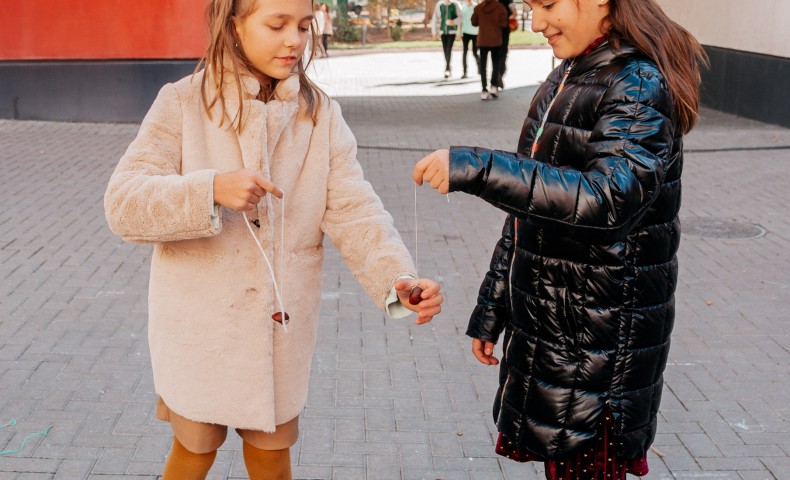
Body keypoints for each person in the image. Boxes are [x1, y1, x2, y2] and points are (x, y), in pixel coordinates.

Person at [104, 0, 444, 478]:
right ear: (234, 24)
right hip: (200, 331)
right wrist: (209, 188)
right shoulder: (182, 101)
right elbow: (123, 203)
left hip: (278, 332)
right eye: (277, 24)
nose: (294, 40)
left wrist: (398, 281)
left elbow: (354, 208)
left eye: (304, 26)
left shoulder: (319, 114)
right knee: (194, 451)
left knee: (272, 456)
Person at [413, 0, 707, 478]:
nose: (538, 22)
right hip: (555, 328)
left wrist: (480, 168)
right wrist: (495, 305)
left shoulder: (636, 82)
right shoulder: (572, 72)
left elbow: (608, 200)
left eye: (548, 5)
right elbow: (528, 211)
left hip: (598, 348)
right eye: (530, 7)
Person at [472, 0, 508, 100]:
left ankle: (484, 89)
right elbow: (504, 24)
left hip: (482, 40)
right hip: (495, 40)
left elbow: (474, 22)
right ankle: (494, 86)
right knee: (495, 64)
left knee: (483, 65)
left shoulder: (478, 8)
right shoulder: (500, 8)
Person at [431, 0, 463, 79]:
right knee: (445, 50)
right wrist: (434, 32)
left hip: (452, 31)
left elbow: (461, 17)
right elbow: (435, 18)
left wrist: (454, 22)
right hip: (443, 31)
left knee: (449, 49)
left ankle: (447, 69)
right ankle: (448, 66)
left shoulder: (455, 4)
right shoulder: (440, 4)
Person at [494, 0, 516, 89]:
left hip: (494, 30)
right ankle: (500, 73)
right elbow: (514, 14)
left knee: (495, 53)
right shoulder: (509, 1)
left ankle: (496, 75)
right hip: (505, 30)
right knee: (503, 53)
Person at [459, 0, 480, 79]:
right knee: (464, 52)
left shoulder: (476, 6)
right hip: (465, 32)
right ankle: (464, 72)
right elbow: (461, 21)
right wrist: (460, 32)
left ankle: (480, 68)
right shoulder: (463, 7)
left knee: (475, 52)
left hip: (475, 33)